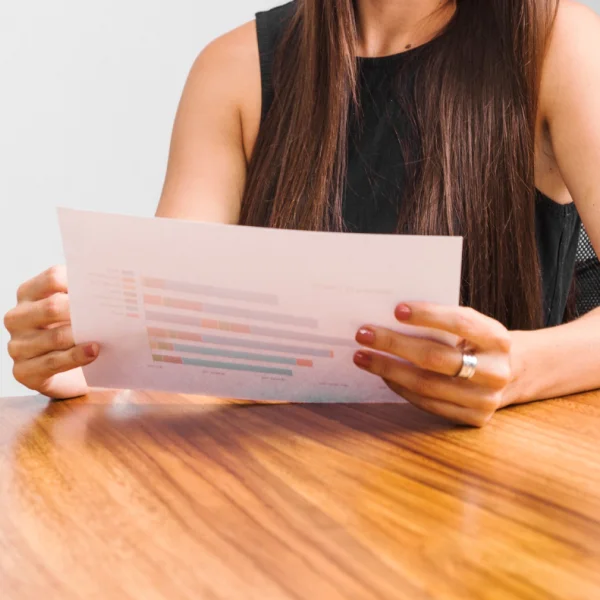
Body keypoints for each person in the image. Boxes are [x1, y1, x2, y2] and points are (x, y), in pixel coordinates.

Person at [4, 0, 600, 426]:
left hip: (489, 495)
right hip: (282, 502)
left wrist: (517, 370)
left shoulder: (559, 41)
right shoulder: (233, 69)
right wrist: (85, 363)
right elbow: (170, 346)